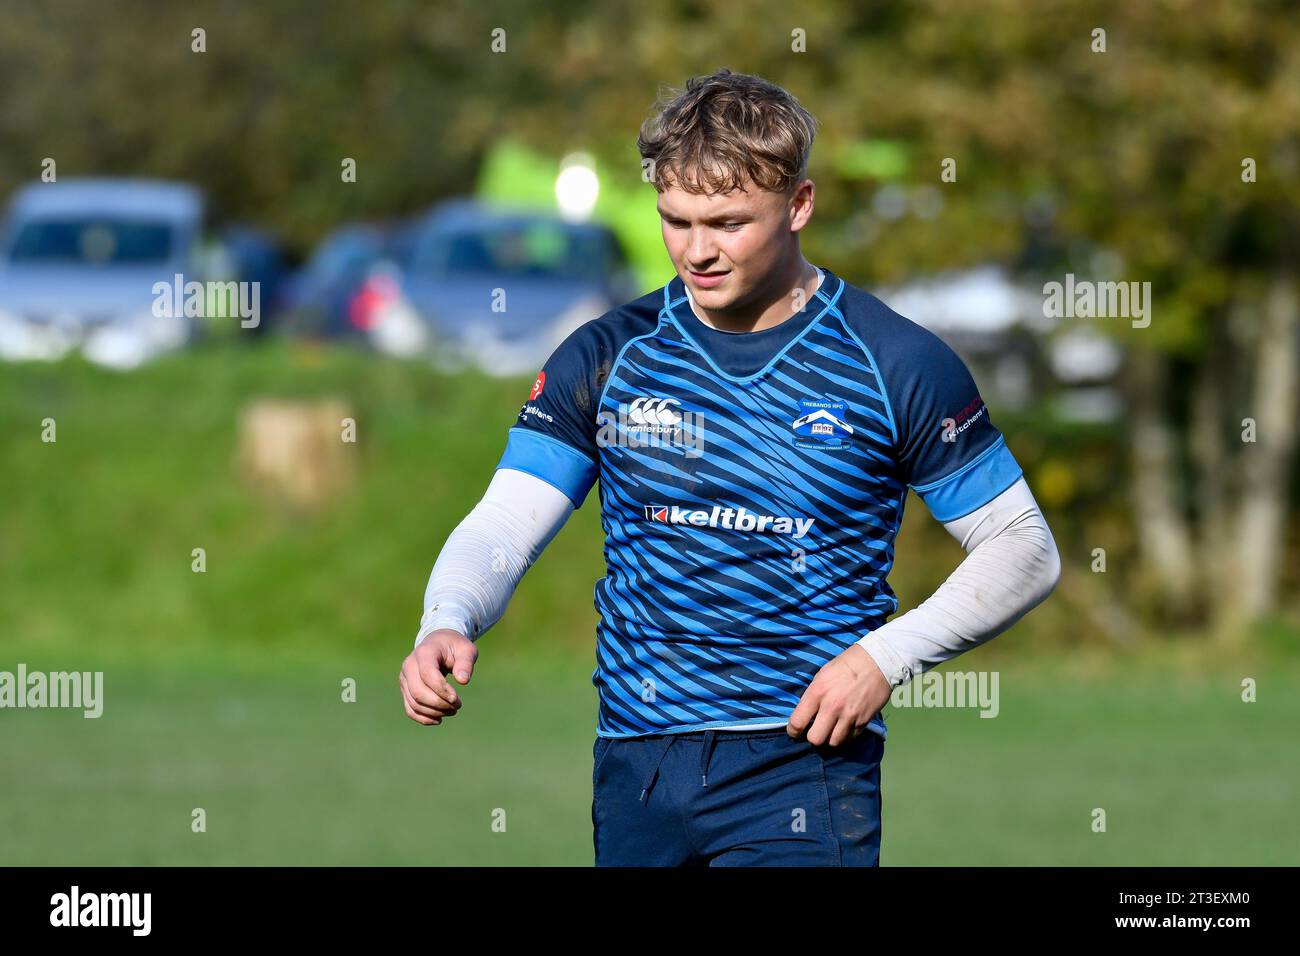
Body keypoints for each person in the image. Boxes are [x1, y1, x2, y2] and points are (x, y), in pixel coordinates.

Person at [398, 68, 1060, 866]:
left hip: (803, 764)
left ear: (799, 205)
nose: (697, 250)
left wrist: (884, 659)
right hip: (635, 763)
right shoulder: (609, 355)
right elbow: (505, 524)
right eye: (675, 221)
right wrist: (447, 618)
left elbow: (1022, 546)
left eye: (728, 223)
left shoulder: (895, 361)